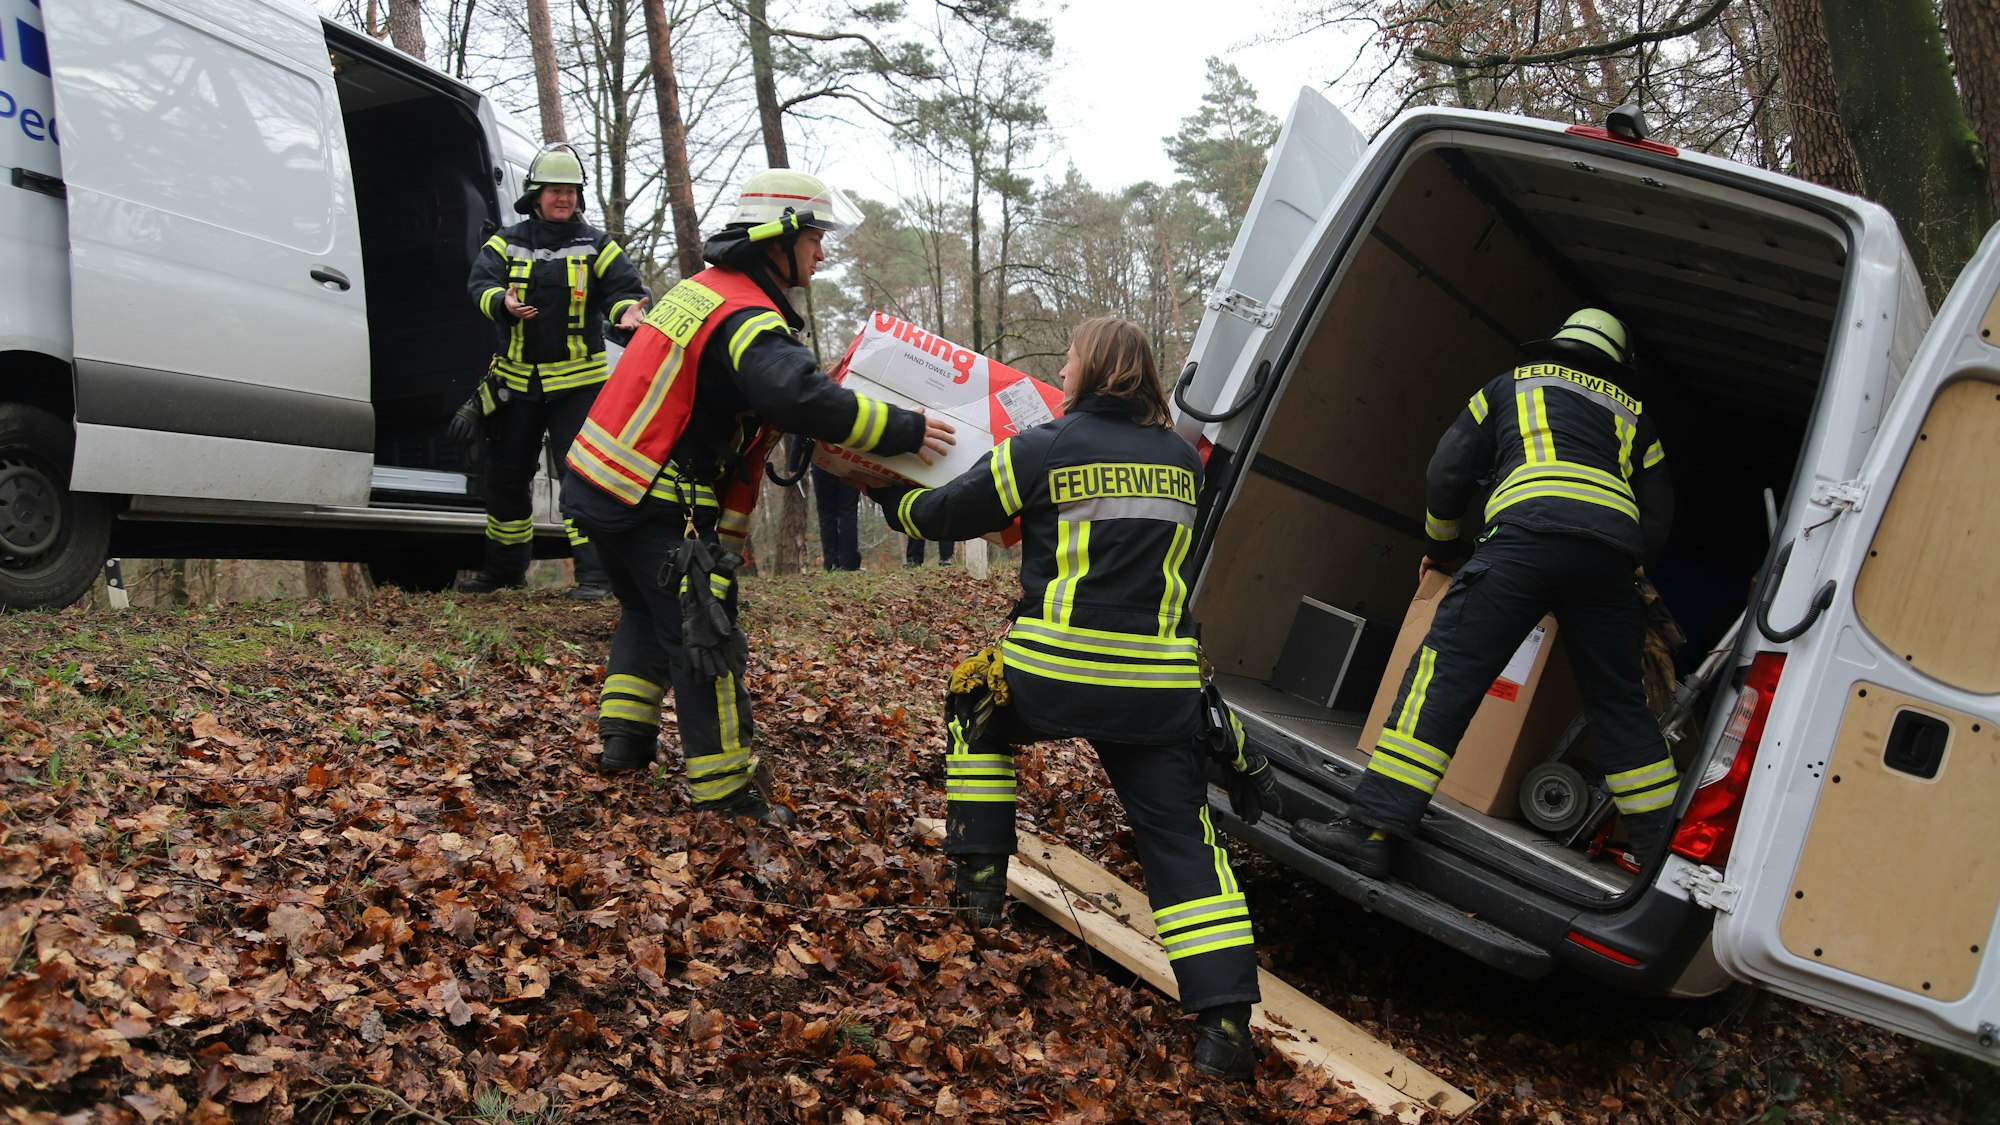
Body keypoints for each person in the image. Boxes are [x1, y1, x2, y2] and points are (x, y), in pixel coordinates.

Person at [865, 317, 1264, 1081]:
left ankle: (980, 884)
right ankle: (1225, 1026)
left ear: (1094, 369)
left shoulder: (1043, 447)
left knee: (971, 701)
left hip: (1054, 672)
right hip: (1158, 689)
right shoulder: (1184, 460)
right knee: (1181, 841)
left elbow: (947, 513)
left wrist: (890, 499)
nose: (1064, 371)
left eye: (1072, 359)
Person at [560, 169, 955, 819]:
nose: (821, 254)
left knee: (645, 613)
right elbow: (795, 395)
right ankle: (724, 794)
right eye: (815, 240)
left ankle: (624, 741)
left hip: (600, 485)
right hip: (653, 496)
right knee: (704, 635)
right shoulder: (747, 312)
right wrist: (904, 430)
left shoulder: (703, 291)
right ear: (779, 239)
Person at [1291, 308, 1680, 877]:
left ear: (1560, 343)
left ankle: (1373, 829)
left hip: (1522, 543)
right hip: (1609, 563)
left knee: (1445, 678)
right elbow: (1658, 518)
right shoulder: (1635, 417)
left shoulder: (1507, 386)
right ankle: (1659, 865)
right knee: (1622, 707)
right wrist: (1619, 567)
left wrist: (1442, 547)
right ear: (1617, 363)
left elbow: (1447, 471)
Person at [457, 143, 650, 599]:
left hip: (579, 386)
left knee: (582, 478)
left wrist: (627, 313)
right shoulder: (506, 242)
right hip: (516, 384)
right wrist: (500, 302)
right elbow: (480, 284)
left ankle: (597, 577)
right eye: (555, 190)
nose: (564, 198)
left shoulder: (598, 245)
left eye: (571, 191)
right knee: (505, 477)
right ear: (536, 195)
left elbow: (624, 291)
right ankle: (504, 573)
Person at [810, 462, 862, 570]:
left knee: (826, 514)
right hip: (849, 462)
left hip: (822, 462)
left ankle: (831, 563)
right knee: (848, 511)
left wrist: (794, 465)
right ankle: (850, 563)